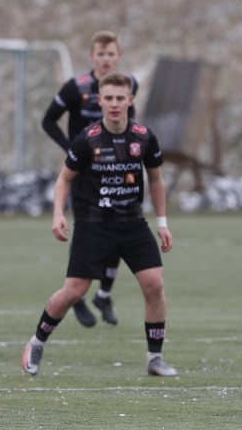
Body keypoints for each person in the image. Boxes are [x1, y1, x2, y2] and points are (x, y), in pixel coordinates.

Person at [22, 72, 177, 377]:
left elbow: (156, 179)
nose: (115, 104)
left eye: (121, 98)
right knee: (74, 291)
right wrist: (57, 214)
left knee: (155, 285)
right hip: (94, 224)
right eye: (109, 98)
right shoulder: (87, 140)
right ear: (100, 101)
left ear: (130, 100)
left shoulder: (144, 137)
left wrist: (162, 222)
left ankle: (154, 359)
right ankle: (36, 342)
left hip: (132, 223)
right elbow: (64, 179)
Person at [41, 30, 139, 327]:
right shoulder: (76, 87)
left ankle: (104, 294)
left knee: (121, 226)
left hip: (116, 169)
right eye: (101, 54)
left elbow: (130, 123)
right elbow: (48, 121)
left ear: (118, 56)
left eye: (112, 54)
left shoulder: (127, 86)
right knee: (88, 229)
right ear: (92, 56)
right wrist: (71, 148)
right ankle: (78, 295)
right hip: (85, 173)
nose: (106, 59)